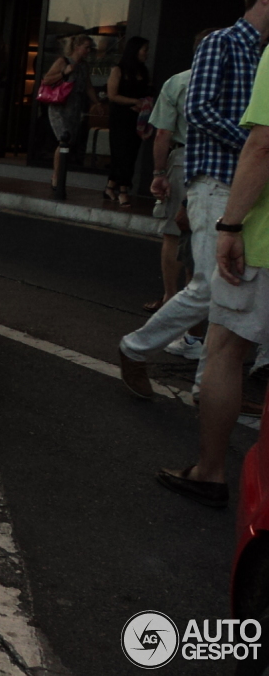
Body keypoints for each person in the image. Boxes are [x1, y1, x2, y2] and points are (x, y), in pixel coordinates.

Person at [119, 0, 269, 410]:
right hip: (214, 181)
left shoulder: (264, 52)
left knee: (230, 290)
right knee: (208, 287)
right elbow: (200, 110)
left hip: (244, 188)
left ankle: (211, 388)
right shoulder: (222, 42)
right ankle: (135, 349)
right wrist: (255, 145)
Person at [156, 30, 269, 508]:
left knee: (224, 347)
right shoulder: (227, 45)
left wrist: (231, 224)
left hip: (263, 237)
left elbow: (262, 146)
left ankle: (209, 472)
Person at [144, 30, 216, 316]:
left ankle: (170, 298)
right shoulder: (239, 79)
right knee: (208, 232)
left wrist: (158, 172)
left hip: (184, 157)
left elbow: (162, 133)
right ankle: (199, 299)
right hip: (226, 160)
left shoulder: (178, 82)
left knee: (175, 232)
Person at [40, 35, 99, 190]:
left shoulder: (84, 66)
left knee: (69, 141)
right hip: (60, 106)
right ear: (77, 47)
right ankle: (56, 176)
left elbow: (88, 86)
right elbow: (46, 80)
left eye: (89, 48)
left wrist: (97, 103)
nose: (88, 51)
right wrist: (64, 72)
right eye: (86, 47)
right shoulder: (63, 61)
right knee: (63, 139)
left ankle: (61, 173)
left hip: (75, 107)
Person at [105, 37, 153, 206]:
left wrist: (145, 104)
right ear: (135, 50)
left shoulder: (143, 71)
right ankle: (123, 189)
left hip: (137, 118)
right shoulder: (118, 70)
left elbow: (148, 92)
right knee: (121, 153)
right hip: (120, 117)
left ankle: (110, 186)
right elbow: (112, 95)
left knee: (131, 153)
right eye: (144, 49)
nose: (146, 53)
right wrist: (134, 102)